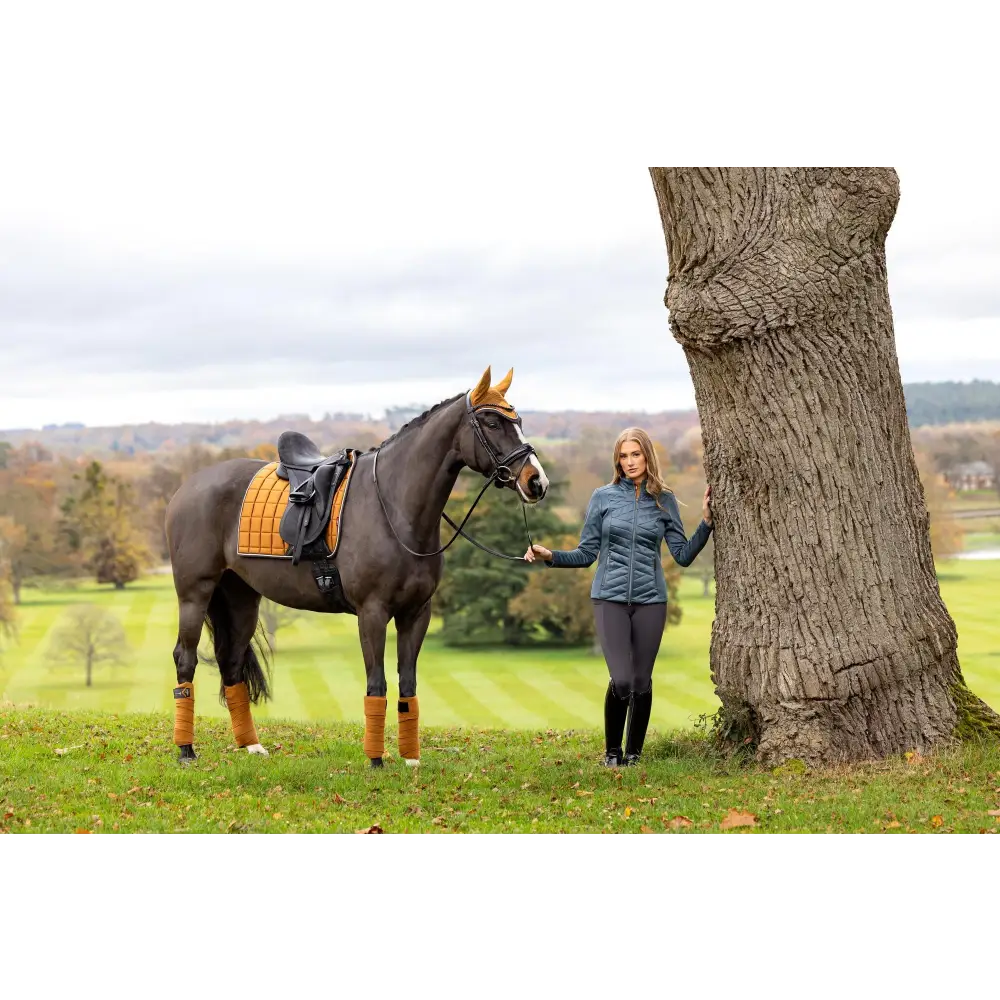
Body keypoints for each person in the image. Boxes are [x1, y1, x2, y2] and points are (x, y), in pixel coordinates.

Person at [524, 427, 713, 767]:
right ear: (618, 461)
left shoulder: (664, 500)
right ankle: (612, 753)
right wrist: (549, 555)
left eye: (635, 454)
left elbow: (682, 555)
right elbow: (586, 554)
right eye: (623, 456)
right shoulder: (603, 497)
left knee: (641, 681)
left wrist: (706, 523)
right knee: (622, 679)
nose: (629, 462)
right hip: (609, 598)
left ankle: (634, 754)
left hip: (651, 600)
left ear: (647, 457)